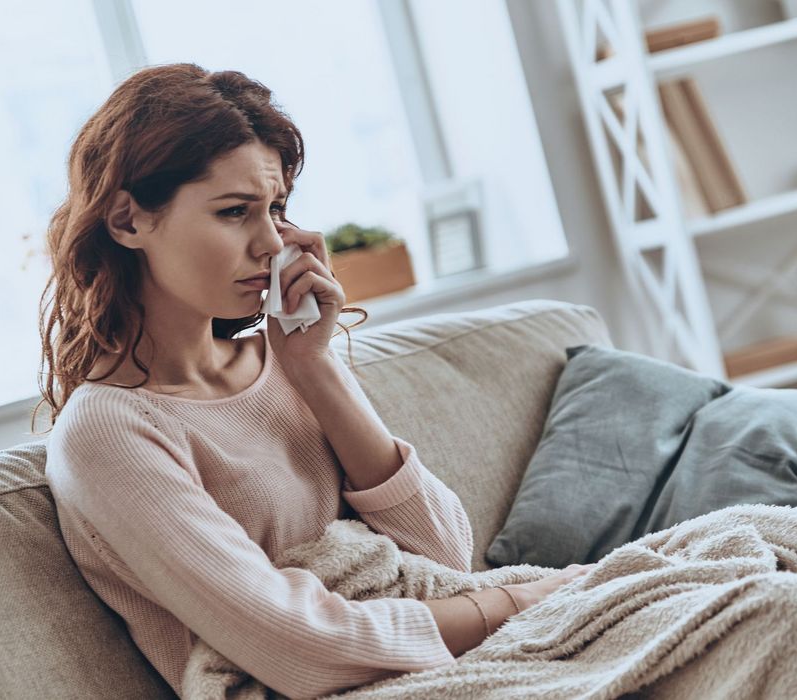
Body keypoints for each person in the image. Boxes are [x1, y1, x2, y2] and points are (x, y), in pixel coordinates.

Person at [34, 63, 591, 699]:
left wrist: (314, 366)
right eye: (234, 211)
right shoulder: (107, 431)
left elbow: (442, 555)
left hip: (447, 652)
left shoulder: (287, 362)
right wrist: (523, 601)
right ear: (127, 221)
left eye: (276, 209)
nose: (272, 243)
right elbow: (297, 645)